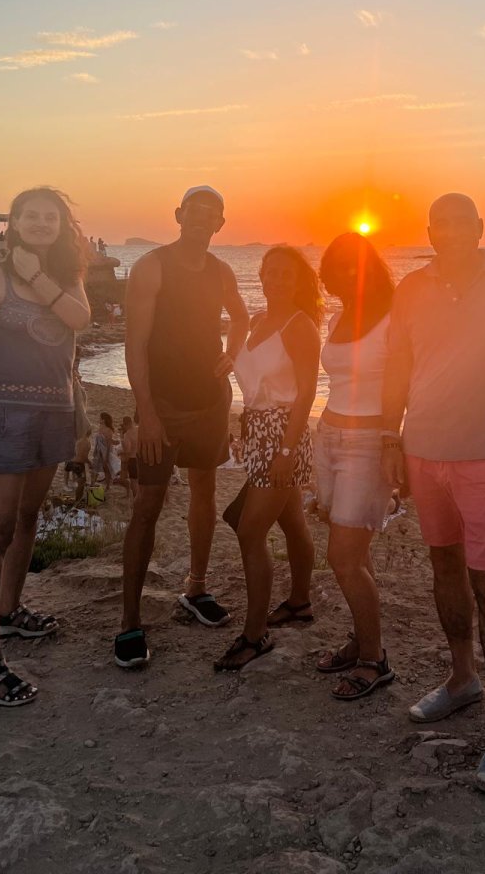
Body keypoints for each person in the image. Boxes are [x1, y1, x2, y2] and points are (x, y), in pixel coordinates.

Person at [381, 193, 485, 795]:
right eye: (439, 221)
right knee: (444, 565)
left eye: (460, 220)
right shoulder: (412, 287)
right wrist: (390, 439)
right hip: (422, 447)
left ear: (480, 226)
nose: (449, 229)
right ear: (429, 229)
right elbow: (398, 366)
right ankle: (462, 678)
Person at [0, 186, 90, 706]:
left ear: (62, 226)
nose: (40, 224)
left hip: (54, 413)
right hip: (3, 416)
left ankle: (9, 611)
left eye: (50, 217)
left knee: (29, 518)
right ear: (14, 223)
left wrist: (38, 278)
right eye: (31, 216)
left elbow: (79, 322)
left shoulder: (68, 279)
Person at [116, 186, 249, 669]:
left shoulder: (221, 271)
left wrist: (232, 355)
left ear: (220, 223)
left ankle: (196, 588)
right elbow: (135, 344)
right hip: (164, 405)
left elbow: (241, 317)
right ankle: (130, 620)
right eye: (194, 211)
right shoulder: (152, 266)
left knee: (204, 491)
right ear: (178, 215)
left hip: (211, 402)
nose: (201, 218)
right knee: (148, 505)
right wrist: (147, 413)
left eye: (211, 213)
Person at [215, 246, 321, 671]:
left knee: (249, 530)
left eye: (285, 274)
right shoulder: (256, 320)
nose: (275, 280)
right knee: (292, 521)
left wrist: (286, 451)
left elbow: (307, 394)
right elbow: (245, 369)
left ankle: (255, 635)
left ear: (299, 281)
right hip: (257, 429)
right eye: (270, 272)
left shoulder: (301, 326)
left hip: (283, 433)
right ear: (261, 275)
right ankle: (299, 602)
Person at [313, 233, 397, 700]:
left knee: (342, 557)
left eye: (354, 264)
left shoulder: (393, 318)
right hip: (328, 435)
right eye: (336, 267)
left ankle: (374, 659)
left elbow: (403, 385)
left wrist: (393, 442)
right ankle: (363, 640)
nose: (345, 274)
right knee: (356, 553)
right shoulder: (339, 315)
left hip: (368, 443)